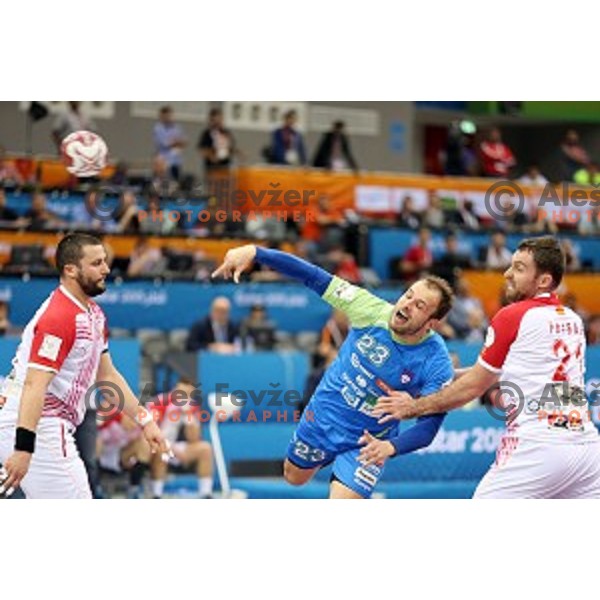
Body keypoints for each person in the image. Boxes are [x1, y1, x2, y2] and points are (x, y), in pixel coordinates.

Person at [212, 245, 455, 499]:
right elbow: (314, 276)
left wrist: (390, 447)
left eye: (419, 305)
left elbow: (429, 428)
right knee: (294, 477)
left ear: (432, 323)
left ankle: (346, 472)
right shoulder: (369, 309)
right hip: (324, 416)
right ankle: (329, 458)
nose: (406, 305)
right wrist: (255, 253)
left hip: (368, 440)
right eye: (407, 295)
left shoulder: (436, 361)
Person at [373, 236, 600, 499]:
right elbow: (504, 371)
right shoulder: (572, 319)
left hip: (539, 445)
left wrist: (411, 407)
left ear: (544, 281)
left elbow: (476, 385)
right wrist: (436, 378)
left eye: (518, 268)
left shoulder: (513, 315)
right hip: (586, 449)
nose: (507, 274)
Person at [0, 233, 170, 498]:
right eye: (96, 263)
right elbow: (35, 384)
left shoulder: (93, 314)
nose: (106, 269)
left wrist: (145, 420)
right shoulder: (59, 317)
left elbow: (108, 376)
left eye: (105, 261)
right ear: (70, 270)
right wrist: (23, 448)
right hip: (36, 422)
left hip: (43, 421)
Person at [145, 380, 214, 499]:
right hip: (157, 444)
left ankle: (205, 493)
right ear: (176, 387)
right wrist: (171, 447)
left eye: (189, 391)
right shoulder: (160, 402)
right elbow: (151, 431)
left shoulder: (191, 406)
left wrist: (188, 414)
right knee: (162, 449)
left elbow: (194, 438)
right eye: (182, 389)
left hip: (178, 446)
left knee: (205, 448)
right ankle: (156, 493)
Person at [153, 105, 186, 181]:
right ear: (161, 116)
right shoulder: (158, 128)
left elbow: (183, 142)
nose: (168, 118)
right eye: (165, 116)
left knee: (175, 182)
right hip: (163, 161)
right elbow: (165, 143)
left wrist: (176, 142)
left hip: (175, 161)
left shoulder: (177, 128)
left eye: (169, 115)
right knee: (162, 182)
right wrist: (175, 142)